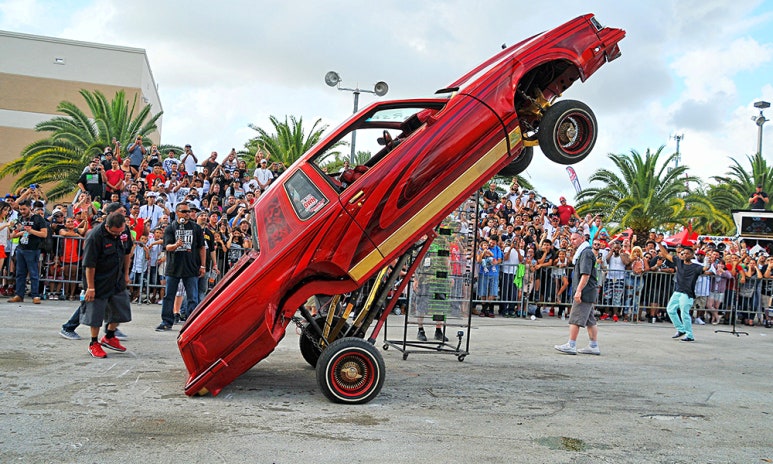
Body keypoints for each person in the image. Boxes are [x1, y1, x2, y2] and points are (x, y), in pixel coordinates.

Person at [80, 212, 133, 358]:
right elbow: (89, 265)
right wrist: (90, 287)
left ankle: (109, 336)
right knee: (96, 313)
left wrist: (126, 274)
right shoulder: (95, 236)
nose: (118, 235)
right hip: (98, 280)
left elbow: (127, 252)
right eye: (114, 232)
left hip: (117, 277)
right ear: (107, 226)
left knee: (121, 310)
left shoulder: (124, 231)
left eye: (120, 231)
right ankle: (93, 343)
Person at [156, 203, 205, 331]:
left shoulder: (196, 228)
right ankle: (166, 321)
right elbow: (167, 247)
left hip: (191, 267)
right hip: (174, 267)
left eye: (189, 211)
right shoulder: (171, 228)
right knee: (169, 296)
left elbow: (202, 247)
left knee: (192, 297)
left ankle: (191, 323)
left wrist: (203, 265)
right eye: (184, 211)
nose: (187, 214)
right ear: (177, 212)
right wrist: (176, 245)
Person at [555, 232, 600, 355]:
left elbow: (585, 274)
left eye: (574, 239)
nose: (572, 241)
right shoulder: (586, 252)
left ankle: (571, 344)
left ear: (582, 239)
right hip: (589, 290)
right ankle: (593, 345)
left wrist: (579, 291)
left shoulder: (585, 253)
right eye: (571, 239)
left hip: (585, 291)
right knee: (590, 320)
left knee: (575, 318)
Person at [657, 237, 704, 342]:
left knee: (684, 313)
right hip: (678, 291)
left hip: (687, 293)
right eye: (683, 253)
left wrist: (709, 263)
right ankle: (680, 329)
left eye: (687, 253)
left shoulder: (696, 266)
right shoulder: (679, 261)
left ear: (692, 255)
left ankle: (689, 335)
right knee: (670, 309)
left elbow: (705, 269)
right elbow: (665, 254)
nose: (684, 255)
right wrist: (659, 243)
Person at [7, 199, 48, 304]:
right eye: (20, 209)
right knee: (20, 273)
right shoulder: (20, 218)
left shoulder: (38, 219)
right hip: (21, 248)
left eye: (24, 209)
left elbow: (44, 234)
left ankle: (35, 295)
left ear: (30, 207)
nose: (22, 211)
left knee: (33, 273)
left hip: (33, 249)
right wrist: (18, 232)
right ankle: (19, 295)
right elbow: (12, 235)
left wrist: (31, 231)